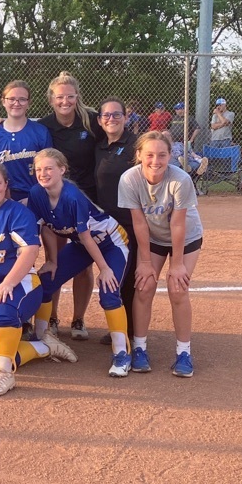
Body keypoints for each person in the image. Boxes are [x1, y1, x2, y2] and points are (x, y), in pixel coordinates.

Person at [0, 160, 77, 396]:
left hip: (17, 284)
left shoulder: (17, 212)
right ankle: (43, 346)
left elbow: (30, 250)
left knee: (2, 310)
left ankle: (5, 375)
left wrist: (8, 282)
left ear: (6, 185)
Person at [28, 149, 132, 377]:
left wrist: (104, 268)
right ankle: (42, 337)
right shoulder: (36, 193)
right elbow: (45, 228)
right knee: (46, 282)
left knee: (109, 292)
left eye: (49, 168)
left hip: (110, 242)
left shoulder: (72, 196)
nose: (43, 173)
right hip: (81, 244)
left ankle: (122, 353)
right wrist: (52, 260)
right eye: (39, 169)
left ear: (62, 170)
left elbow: (86, 236)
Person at [118, 131, 204, 378]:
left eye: (162, 155)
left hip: (186, 238)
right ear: (139, 155)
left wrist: (176, 265)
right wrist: (145, 262)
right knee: (144, 286)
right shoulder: (129, 179)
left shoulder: (180, 179)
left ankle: (184, 353)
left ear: (170, 156)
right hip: (154, 237)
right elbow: (139, 222)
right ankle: (139, 348)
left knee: (178, 289)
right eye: (150, 155)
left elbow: (178, 224)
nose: (155, 161)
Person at [37, 71, 104, 340]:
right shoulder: (44, 126)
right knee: (54, 258)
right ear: (51, 99)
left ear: (77, 97)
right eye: (59, 97)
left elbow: (115, 135)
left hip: (86, 200)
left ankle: (78, 319)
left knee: (84, 262)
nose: (65, 101)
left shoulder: (91, 121)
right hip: (55, 200)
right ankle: (53, 317)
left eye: (70, 96)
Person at [94, 97, 138, 346]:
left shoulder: (134, 145)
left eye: (117, 114)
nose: (111, 119)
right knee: (115, 276)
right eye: (106, 115)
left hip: (130, 222)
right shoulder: (99, 146)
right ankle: (120, 328)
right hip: (106, 225)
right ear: (99, 121)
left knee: (128, 278)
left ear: (126, 117)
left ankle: (130, 332)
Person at [0, 80, 52, 202]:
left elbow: (49, 169)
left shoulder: (40, 132)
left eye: (22, 99)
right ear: (3, 101)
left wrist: (33, 198)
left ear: (28, 103)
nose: (16, 103)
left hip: (33, 197)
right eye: (11, 99)